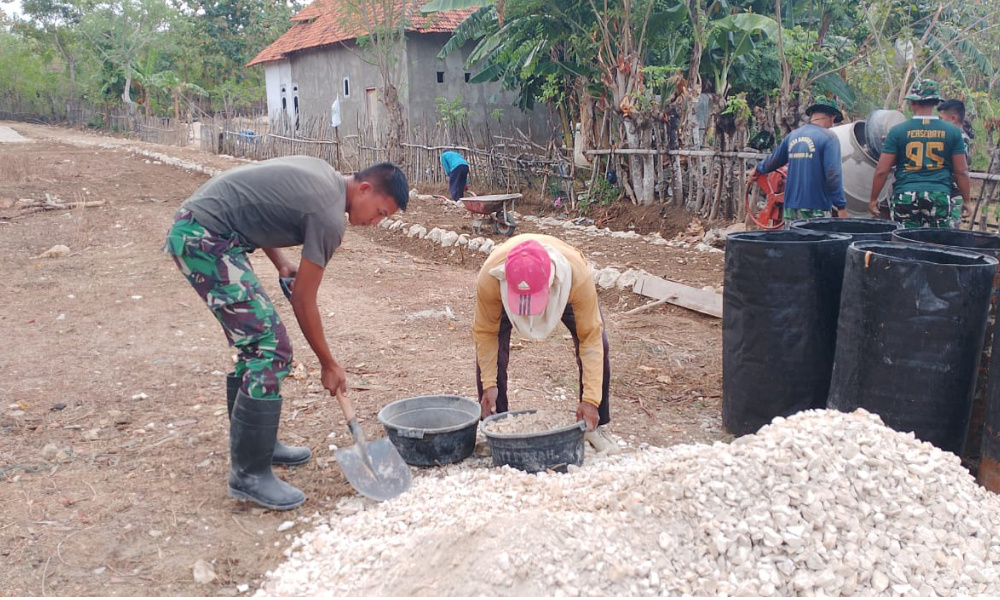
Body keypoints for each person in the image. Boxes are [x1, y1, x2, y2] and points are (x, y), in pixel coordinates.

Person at [164, 157, 408, 511]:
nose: (375, 222)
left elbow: (258, 207)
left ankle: (257, 446)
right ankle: (248, 474)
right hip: (204, 237)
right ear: (365, 189)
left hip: (207, 229)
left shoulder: (325, 176)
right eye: (381, 212)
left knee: (256, 345)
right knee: (270, 348)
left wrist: (280, 263)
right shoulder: (328, 218)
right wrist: (328, 363)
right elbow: (303, 300)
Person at [472, 234, 619, 454]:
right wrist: (488, 383)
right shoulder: (491, 277)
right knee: (492, 351)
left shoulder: (576, 277)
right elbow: (485, 333)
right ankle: (496, 425)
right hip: (505, 287)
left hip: (563, 291)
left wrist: (591, 399)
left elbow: (591, 339)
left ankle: (595, 425)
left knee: (600, 343)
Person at [868, 79, 970, 228]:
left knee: (903, 240)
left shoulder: (897, 131)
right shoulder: (952, 131)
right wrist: (966, 200)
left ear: (912, 103)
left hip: (906, 195)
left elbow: (882, 170)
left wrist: (873, 198)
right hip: (938, 195)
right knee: (938, 241)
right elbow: (961, 171)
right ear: (936, 103)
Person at [749, 96, 847, 224]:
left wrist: (757, 170)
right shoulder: (829, 137)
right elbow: (833, 174)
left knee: (792, 242)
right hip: (817, 208)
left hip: (791, 207)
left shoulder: (793, 135)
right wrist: (841, 206)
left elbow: (773, 161)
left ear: (811, 114)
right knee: (815, 243)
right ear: (832, 117)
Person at [938, 99, 973, 218]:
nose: (939, 122)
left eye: (941, 119)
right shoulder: (948, 136)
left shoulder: (962, 139)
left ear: (953, 118)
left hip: (951, 193)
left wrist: (966, 200)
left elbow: (960, 171)